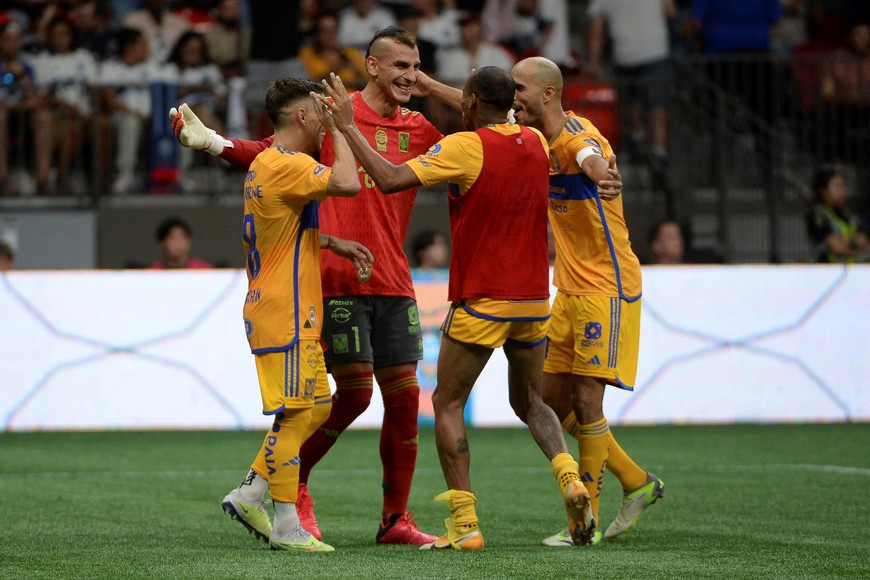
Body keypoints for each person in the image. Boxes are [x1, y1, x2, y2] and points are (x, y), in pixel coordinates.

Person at [169, 26, 444, 546]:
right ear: (373, 66)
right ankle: (292, 496)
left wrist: (434, 88)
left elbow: (480, 125)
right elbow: (268, 151)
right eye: (401, 66)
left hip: (393, 276)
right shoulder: (329, 114)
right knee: (347, 397)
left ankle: (394, 520)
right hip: (331, 283)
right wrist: (215, 143)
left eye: (417, 66)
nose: (410, 76)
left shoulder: (420, 126)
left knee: (404, 401)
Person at [317, 66, 596, 550]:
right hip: (534, 301)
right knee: (531, 403)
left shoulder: (463, 147)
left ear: (468, 102)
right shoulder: (534, 141)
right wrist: (439, 89)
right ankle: (570, 477)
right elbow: (489, 104)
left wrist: (346, 127)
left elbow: (387, 179)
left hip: (483, 300)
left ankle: (465, 525)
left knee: (447, 401)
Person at [509, 56, 665, 547]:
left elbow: (590, 156)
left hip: (607, 288)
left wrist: (602, 173)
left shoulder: (578, 137)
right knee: (549, 398)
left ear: (548, 94)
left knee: (585, 399)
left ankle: (587, 520)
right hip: (570, 290)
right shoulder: (533, 134)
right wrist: (430, 85)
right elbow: (485, 113)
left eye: (520, 89)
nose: (513, 98)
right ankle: (636, 481)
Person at [209, 77, 363, 552]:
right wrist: (345, 127)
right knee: (296, 415)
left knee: (315, 407)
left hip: (287, 308)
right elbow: (348, 183)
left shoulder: (264, 164)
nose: (323, 121)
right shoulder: (288, 164)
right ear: (303, 117)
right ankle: (286, 525)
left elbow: (285, 231)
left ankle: (251, 490)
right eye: (320, 113)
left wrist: (335, 242)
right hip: (287, 309)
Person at [586, 0, 674, 168]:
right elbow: (671, 11)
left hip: (624, 54)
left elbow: (596, 27)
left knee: (631, 101)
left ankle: (637, 137)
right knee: (657, 103)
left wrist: (593, 63)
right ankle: (659, 151)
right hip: (655, 50)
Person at [805, 166, 870, 263]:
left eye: (843, 186)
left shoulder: (848, 215)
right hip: (825, 272)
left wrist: (847, 244)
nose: (842, 190)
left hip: (852, 271)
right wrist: (855, 244)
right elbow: (835, 246)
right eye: (837, 186)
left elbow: (864, 240)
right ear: (824, 191)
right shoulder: (816, 214)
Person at [299, 12, 368, 90]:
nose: (329, 35)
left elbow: (369, 83)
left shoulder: (352, 53)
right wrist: (338, 69)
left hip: (352, 98)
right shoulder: (307, 53)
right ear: (317, 33)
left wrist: (357, 71)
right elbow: (305, 84)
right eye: (325, 31)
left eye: (333, 30)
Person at [148, 216, 213, 269]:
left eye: (183, 237)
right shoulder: (152, 273)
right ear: (162, 242)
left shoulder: (204, 271)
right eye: (173, 238)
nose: (179, 242)